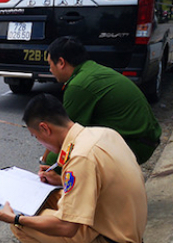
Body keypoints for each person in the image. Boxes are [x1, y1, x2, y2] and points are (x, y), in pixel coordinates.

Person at [0, 93, 147, 243]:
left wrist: (16, 218)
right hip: (123, 228)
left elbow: (67, 227)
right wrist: (59, 180)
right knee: (49, 198)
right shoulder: (102, 133)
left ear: (45, 128)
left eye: (37, 137)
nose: (40, 143)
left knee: (21, 224)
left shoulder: (80, 157)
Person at [44, 36, 161, 166]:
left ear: (61, 62)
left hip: (136, 145)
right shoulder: (91, 69)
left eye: (50, 64)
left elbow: (67, 136)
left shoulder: (79, 85)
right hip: (144, 139)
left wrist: (48, 167)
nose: (50, 70)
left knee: (78, 152)